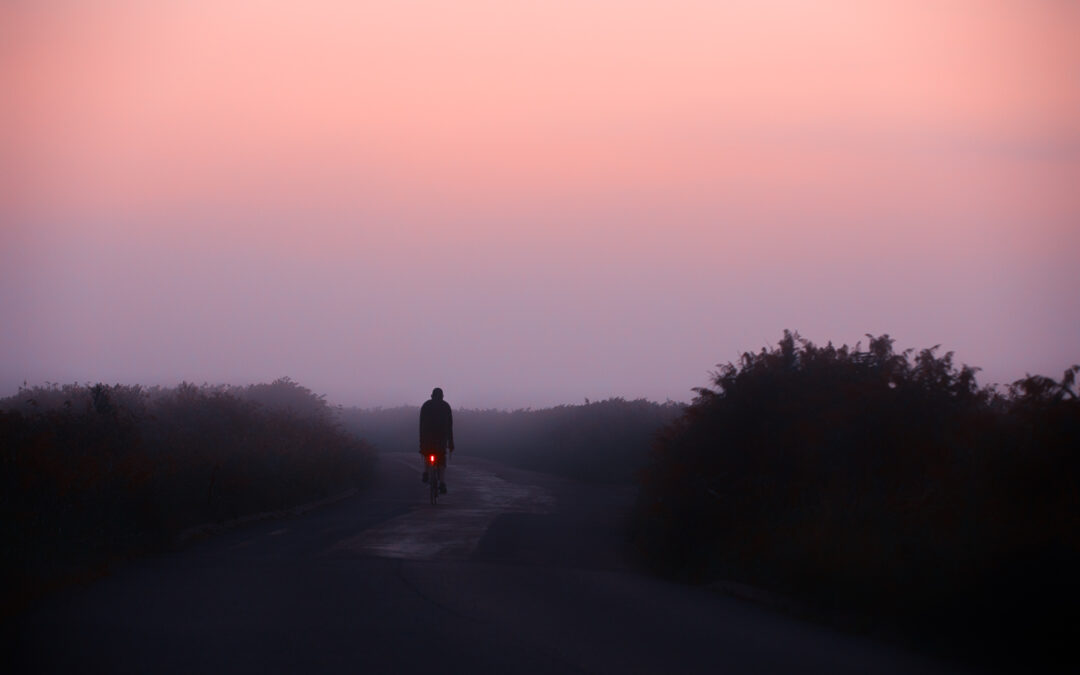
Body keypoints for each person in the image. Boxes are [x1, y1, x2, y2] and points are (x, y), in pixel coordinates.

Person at [419, 387, 454, 493]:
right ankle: (442, 483)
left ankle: (425, 471)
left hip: (427, 437)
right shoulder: (446, 406)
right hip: (441, 438)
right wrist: (451, 442)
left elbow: (421, 425)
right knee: (441, 459)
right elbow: (450, 426)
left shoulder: (426, 405)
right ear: (442, 396)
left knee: (426, 453)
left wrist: (421, 440)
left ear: (432, 396)